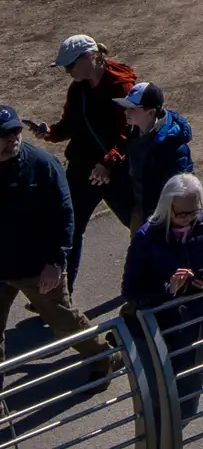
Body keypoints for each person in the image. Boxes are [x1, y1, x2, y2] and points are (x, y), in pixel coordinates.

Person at [120, 174, 203, 416]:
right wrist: (169, 289)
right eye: (182, 214)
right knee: (158, 404)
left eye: (194, 212)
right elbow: (130, 291)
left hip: (194, 325)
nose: (188, 220)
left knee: (187, 404)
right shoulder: (146, 238)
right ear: (167, 207)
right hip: (156, 329)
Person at [0, 103, 92, 348]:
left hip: (38, 270)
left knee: (65, 325)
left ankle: (105, 359)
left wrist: (55, 262)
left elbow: (64, 215)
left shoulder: (42, 165)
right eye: (4, 134)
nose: (12, 139)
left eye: (15, 131)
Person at [52, 36, 142, 274]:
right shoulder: (77, 89)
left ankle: (156, 276)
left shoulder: (122, 87)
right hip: (83, 169)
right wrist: (50, 132)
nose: (67, 70)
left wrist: (108, 162)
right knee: (69, 228)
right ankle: (62, 295)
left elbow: (130, 131)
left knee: (139, 225)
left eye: (70, 65)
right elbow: (71, 124)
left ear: (89, 58)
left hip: (117, 171)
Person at [115, 83, 193, 228]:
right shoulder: (132, 133)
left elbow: (181, 190)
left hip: (165, 219)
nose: (126, 112)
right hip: (141, 212)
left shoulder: (173, 146)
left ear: (150, 113)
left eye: (132, 108)